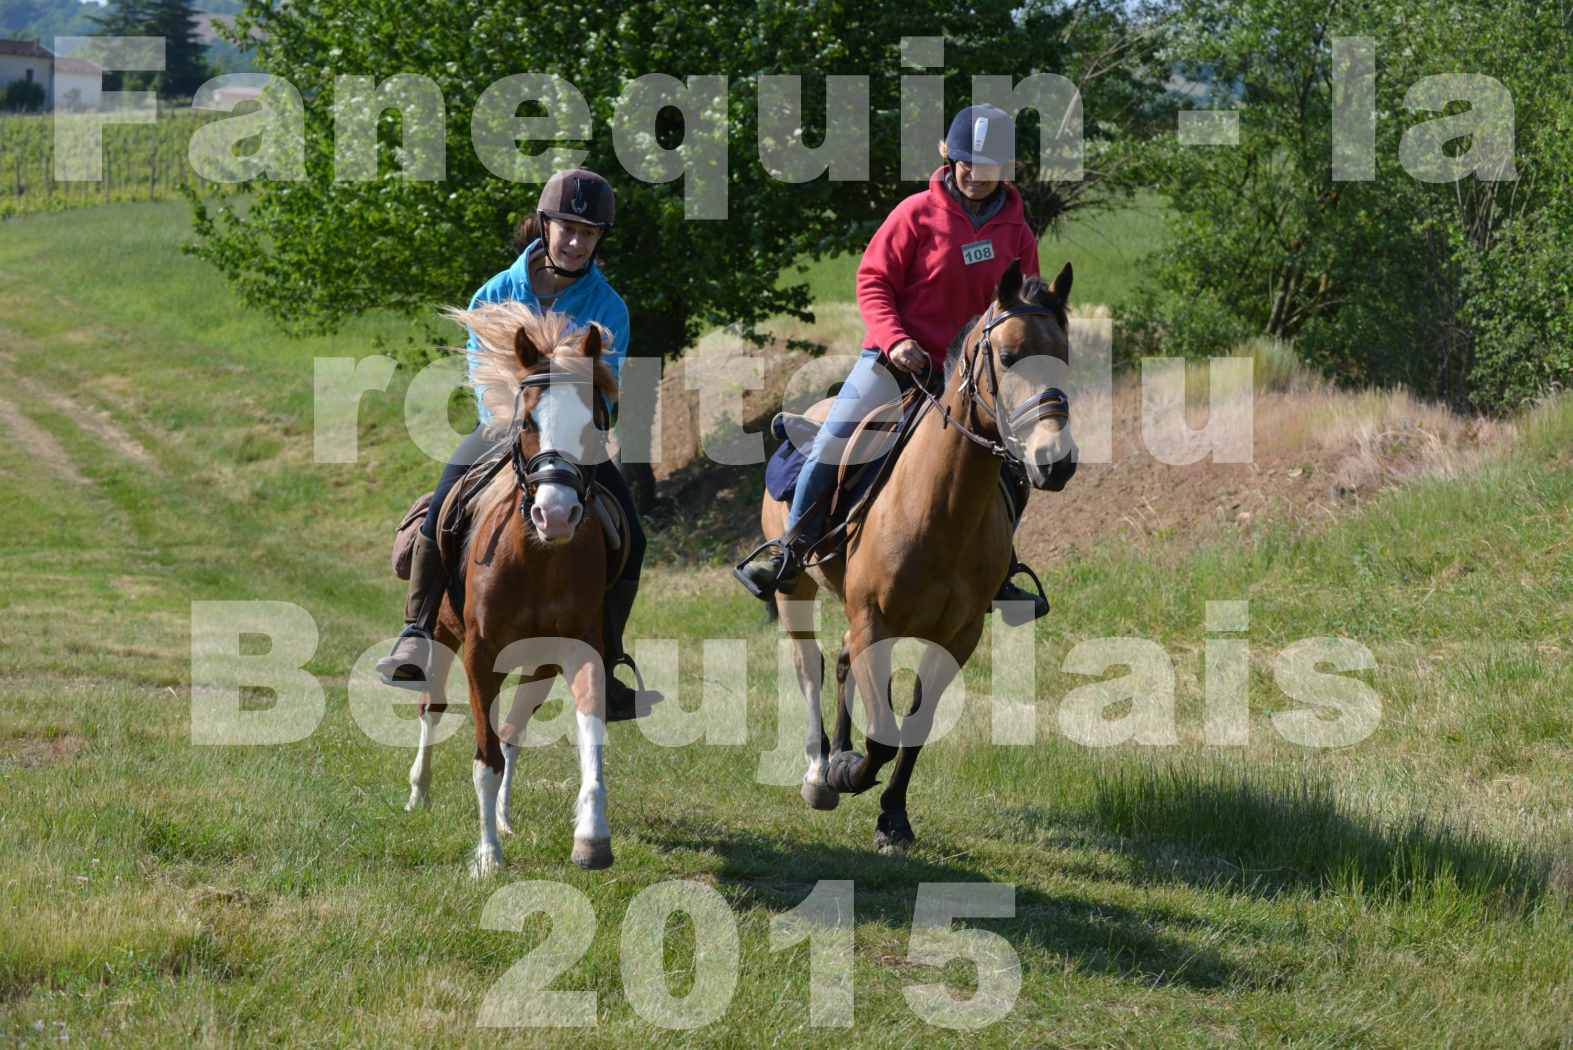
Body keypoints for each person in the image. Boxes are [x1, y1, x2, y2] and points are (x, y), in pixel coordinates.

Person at [736, 104, 1046, 612]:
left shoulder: (1017, 232)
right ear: (949, 157)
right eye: (967, 161)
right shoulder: (915, 214)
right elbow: (872, 280)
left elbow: (1023, 304)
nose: (975, 174)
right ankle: (789, 550)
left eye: (988, 165)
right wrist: (895, 338)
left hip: (971, 378)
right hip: (896, 362)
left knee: (1011, 462)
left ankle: (1000, 569)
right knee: (835, 439)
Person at [378, 168, 654, 715]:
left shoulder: (610, 308)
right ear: (545, 225)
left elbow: (608, 394)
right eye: (567, 229)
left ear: (600, 240)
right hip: (505, 428)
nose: (576, 243)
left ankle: (610, 655)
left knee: (635, 537)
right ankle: (417, 634)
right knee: (439, 513)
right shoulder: (496, 292)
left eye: (589, 234)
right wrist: (516, 428)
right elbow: (485, 380)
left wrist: (573, 428)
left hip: (578, 440)